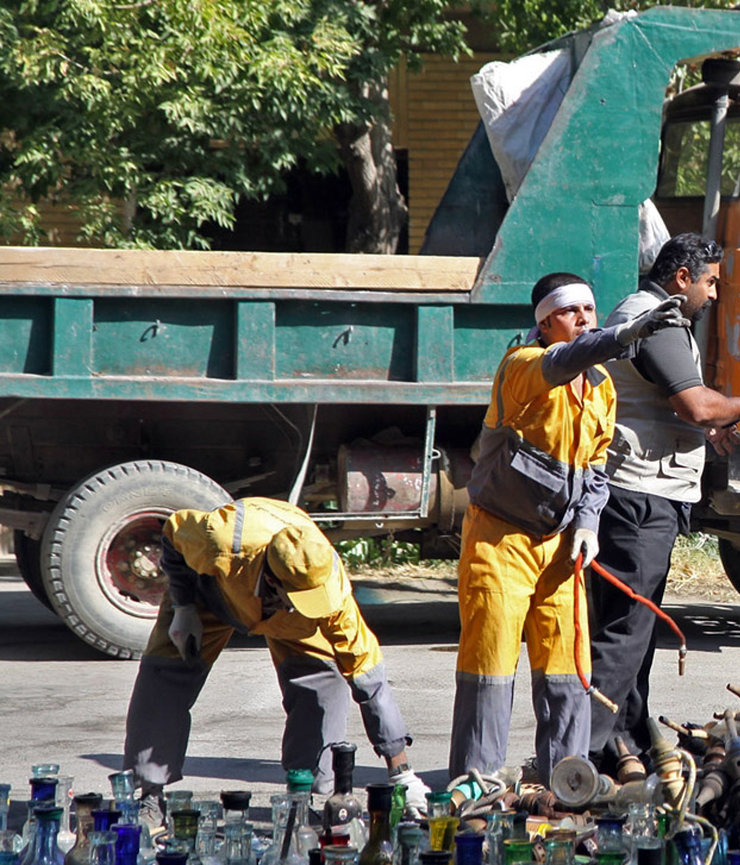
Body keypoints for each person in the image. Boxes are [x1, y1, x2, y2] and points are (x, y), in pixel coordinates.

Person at [449, 271, 688, 782]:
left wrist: (587, 522)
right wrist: (624, 336)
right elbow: (564, 361)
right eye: (569, 311)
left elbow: (596, 466)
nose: (583, 319)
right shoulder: (524, 365)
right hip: (500, 539)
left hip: (560, 543)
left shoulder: (601, 387)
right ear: (544, 323)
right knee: (489, 664)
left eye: (589, 310)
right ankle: (477, 781)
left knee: (567, 666)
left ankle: (566, 778)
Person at [587, 233, 740, 773]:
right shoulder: (656, 317)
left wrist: (710, 434)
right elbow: (692, 403)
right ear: (683, 277)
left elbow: (668, 409)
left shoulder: (657, 318)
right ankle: (584, 756)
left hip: (647, 494)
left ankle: (630, 739)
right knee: (623, 634)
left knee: (637, 630)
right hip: (638, 499)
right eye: (710, 282)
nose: (714, 295)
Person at [123, 496, 429, 809]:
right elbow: (173, 534)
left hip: (289, 619)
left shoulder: (330, 589)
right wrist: (183, 605)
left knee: (322, 681)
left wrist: (402, 774)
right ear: (271, 579)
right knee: (167, 672)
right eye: (303, 597)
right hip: (215, 588)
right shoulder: (222, 540)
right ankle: (150, 798)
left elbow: (369, 678)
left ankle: (301, 794)